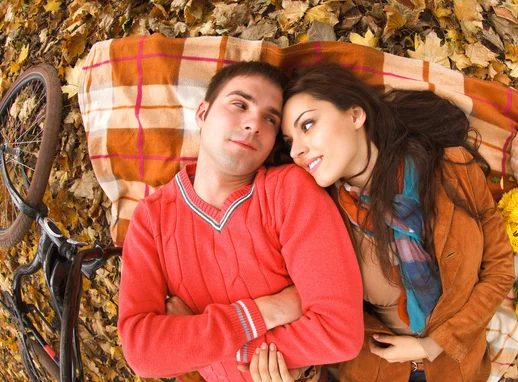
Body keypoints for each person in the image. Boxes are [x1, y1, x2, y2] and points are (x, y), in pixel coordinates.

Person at [254, 63, 515, 382]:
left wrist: (433, 345)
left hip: (457, 367)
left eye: (307, 125)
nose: (297, 150)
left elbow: (500, 269)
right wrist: (303, 369)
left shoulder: (452, 167)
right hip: (373, 370)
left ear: (355, 115)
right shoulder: (322, 213)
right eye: (289, 141)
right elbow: (321, 309)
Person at [117, 62, 364, 382]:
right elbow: (143, 352)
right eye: (239, 104)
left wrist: (199, 346)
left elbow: (339, 333)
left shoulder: (289, 191)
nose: (253, 124)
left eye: (269, 118)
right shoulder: (152, 219)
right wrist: (268, 311)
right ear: (203, 114)